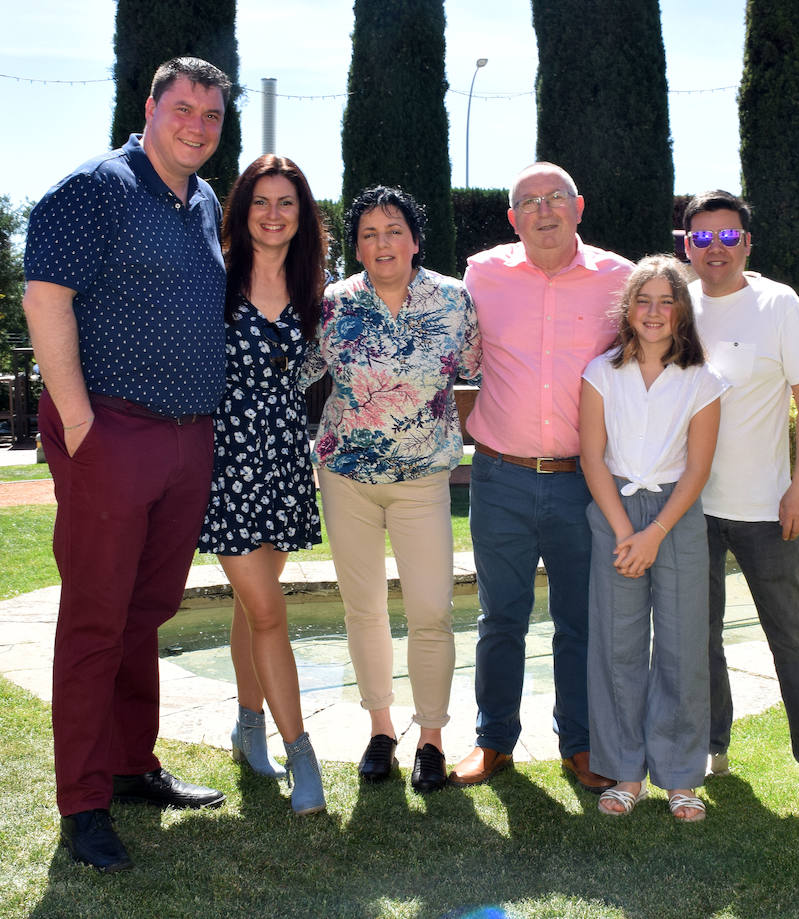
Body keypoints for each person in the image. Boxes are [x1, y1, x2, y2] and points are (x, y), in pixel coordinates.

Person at [23, 57, 231, 873]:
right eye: (183, 108)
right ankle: (83, 802)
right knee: (93, 619)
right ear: (149, 107)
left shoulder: (205, 200)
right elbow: (46, 300)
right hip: (111, 430)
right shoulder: (94, 188)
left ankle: (131, 762)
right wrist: (80, 425)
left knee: (145, 610)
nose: (197, 125)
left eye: (211, 115)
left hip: (188, 435)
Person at [449, 162, 633, 793]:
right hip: (499, 475)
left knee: (581, 620)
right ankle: (493, 740)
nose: (544, 210)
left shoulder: (620, 278)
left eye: (556, 198)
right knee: (501, 617)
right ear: (512, 218)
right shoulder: (481, 275)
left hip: (585, 481)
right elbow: (456, 358)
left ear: (578, 207)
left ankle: (580, 744)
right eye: (529, 202)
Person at [683, 189, 799, 808]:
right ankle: (712, 748)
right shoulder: (675, 307)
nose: (716, 249)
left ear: (747, 243)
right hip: (692, 509)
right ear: (688, 246)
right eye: (703, 238)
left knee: (791, 635)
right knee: (698, 637)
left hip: (767, 508)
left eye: (728, 236)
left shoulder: (777, 303)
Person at [303, 185, 481, 794]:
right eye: (370, 233)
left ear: (415, 239)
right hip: (345, 477)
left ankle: (431, 738)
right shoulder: (332, 304)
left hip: (424, 481)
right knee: (364, 609)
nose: (383, 243)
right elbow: (297, 370)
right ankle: (381, 729)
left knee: (431, 610)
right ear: (357, 246)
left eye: (394, 230)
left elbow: (490, 370)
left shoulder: (455, 302)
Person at [197, 155, 327, 815]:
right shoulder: (212, 276)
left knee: (255, 605)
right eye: (261, 202)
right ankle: (301, 750)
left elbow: (313, 372)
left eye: (287, 203)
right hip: (226, 464)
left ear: (301, 216)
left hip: (282, 458)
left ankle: (247, 726)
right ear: (242, 209)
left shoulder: (315, 290)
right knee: (270, 610)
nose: (273, 215)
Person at [578, 255, 725, 820]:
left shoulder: (703, 381)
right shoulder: (600, 373)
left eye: (667, 301)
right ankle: (627, 772)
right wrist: (624, 533)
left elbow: (698, 467)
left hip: (677, 517)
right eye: (644, 300)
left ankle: (681, 776)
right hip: (614, 511)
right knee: (617, 648)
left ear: (682, 311)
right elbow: (592, 458)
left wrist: (655, 532)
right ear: (628, 309)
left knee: (683, 648)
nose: (655, 311)